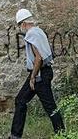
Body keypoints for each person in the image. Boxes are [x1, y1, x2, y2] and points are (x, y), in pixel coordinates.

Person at [10, 8, 64, 139]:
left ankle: (62, 134)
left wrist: (33, 77)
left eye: (19, 25)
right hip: (42, 72)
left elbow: (38, 58)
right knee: (21, 100)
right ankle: (15, 135)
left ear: (23, 23)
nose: (20, 28)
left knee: (50, 106)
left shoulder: (31, 34)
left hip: (39, 73)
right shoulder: (39, 31)